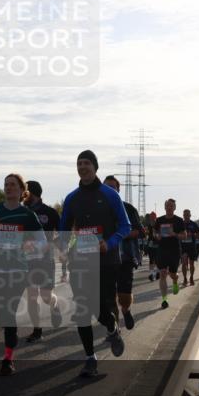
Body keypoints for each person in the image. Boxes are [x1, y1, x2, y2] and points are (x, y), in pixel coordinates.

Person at [60, 150, 130, 377]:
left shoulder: (110, 195)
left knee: (100, 306)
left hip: (106, 260)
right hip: (80, 260)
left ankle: (111, 328)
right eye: (79, 163)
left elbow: (125, 226)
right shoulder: (71, 198)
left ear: (95, 167)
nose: (82, 167)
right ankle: (90, 358)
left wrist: (109, 244)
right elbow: (63, 229)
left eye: (86, 163)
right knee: (82, 308)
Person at [0, 174, 46, 375]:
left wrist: (31, 245)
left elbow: (43, 243)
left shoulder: (27, 215)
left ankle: (8, 359)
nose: (8, 188)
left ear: (21, 190)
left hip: (18, 270)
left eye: (12, 185)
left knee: (8, 316)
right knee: (1, 316)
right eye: (6, 185)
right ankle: (10, 345)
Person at [103, 175, 144, 329]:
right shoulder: (98, 209)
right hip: (105, 258)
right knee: (110, 297)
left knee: (124, 296)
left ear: (118, 190)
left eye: (113, 188)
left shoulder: (128, 208)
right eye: (106, 187)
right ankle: (115, 328)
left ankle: (126, 310)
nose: (109, 190)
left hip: (125, 257)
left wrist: (119, 234)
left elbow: (139, 232)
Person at [22, 180, 61, 342]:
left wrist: (50, 245)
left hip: (45, 260)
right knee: (31, 296)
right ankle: (37, 330)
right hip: (27, 261)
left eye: (25, 192)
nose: (23, 196)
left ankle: (55, 305)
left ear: (32, 193)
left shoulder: (50, 212)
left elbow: (64, 235)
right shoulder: (21, 212)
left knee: (45, 296)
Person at [154, 199, 185, 309]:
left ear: (174, 208)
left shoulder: (179, 220)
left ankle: (175, 280)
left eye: (171, 206)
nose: (169, 208)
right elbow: (155, 233)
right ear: (165, 207)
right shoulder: (159, 220)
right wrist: (157, 236)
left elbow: (184, 236)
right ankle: (164, 299)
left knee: (172, 274)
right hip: (162, 249)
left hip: (174, 250)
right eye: (167, 206)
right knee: (163, 273)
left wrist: (175, 234)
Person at [180, 209, 199, 286]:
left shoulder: (194, 224)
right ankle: (185, 278)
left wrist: (192, 235)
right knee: (184, 263)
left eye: (187, 215)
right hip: (183, 247)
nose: (186, 216)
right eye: (185, 215)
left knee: (191, 264)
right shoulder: (180, 224)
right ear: (183, 215)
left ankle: (191, 277)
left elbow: (198, 234)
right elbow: (177, 233)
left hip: (192, 246)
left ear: (190, 215)